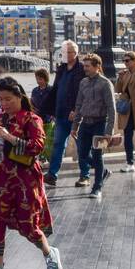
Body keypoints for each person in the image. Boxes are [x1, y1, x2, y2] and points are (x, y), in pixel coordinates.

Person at [0, 77, 60, 269]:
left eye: (8, 99)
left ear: (20, 96)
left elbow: (37, 147)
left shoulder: (32, 119)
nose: (4, 104)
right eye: (1, 99)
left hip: (25, 180)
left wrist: (10, 137)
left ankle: (49, 253)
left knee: (28, 224)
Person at [70, 53, 117, 200]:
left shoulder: (105, 83)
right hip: (85, 124)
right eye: (84, 66)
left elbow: (111, 108)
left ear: (97, 67)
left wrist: (109, 132)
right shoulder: (83, 82)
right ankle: (102, 172)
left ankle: (97, 187)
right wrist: (75, 126)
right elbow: (78, 105)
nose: (85, 69)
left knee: (97, 155)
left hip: (100, 124)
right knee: (83, 155)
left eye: (88, 66)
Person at [45, 41, 84, 187]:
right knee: (57, 144)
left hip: (75, 114)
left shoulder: (81, 69)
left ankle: (85, 174)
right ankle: (52, 175)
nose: (66, 55)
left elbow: (82, 92)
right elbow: (56, 89)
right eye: (64, 52)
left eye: (69, 52)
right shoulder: (61, 69)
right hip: (60, 114)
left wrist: (76, 110)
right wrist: (52, 109)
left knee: (82, 146)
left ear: (76, 53)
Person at [30, 68, 56, 166]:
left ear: (45, 79)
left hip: (48, 119)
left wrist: (53, 116)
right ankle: (41, 158)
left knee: (48, 141)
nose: (38, 81)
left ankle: (49, 160)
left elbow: (55, 104)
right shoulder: (34, 91)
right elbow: (32, 103)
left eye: (40, 79)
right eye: (37, 78)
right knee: (39, 139)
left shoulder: (51, 90)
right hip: (37, 119)